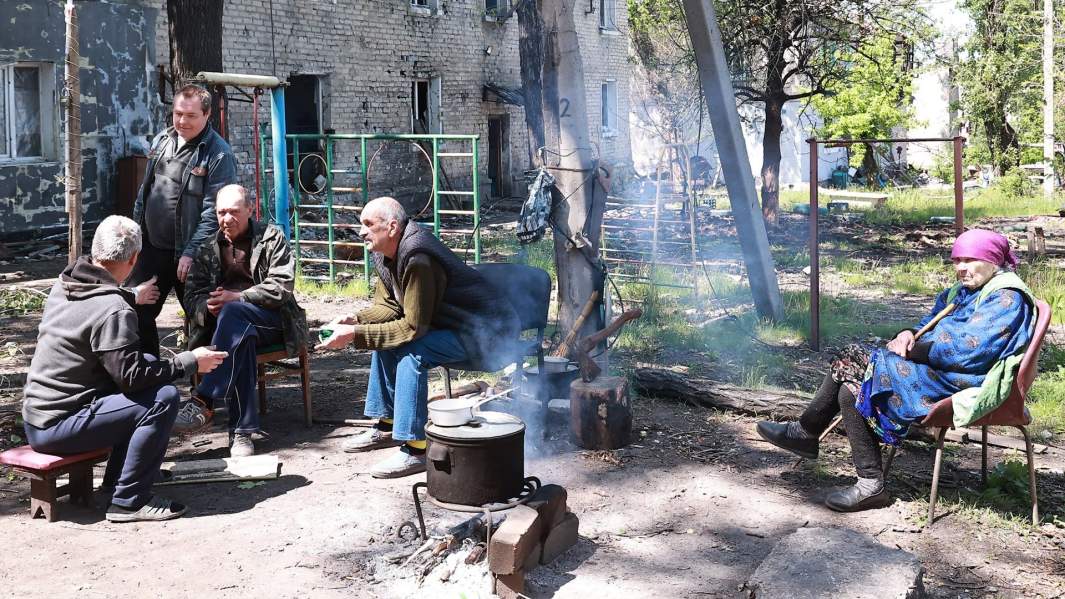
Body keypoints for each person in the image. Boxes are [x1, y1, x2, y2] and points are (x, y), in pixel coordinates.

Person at [756, 229, 1037, 512]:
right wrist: (907, 333)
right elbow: (929, 324)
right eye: (956, 260)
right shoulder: (963, 291)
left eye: (970, 260)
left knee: (854, 359)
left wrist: (914, 351)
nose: (961, 268)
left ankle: (808, 436)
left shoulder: (1006, 299)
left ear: (992, 260)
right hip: (935, 370)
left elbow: (969, 352)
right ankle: (867, 483)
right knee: (851, 384)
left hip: (964, 380)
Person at [21, 216, 227, 523]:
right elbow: (131, 378)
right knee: (163, 397)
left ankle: (117, 481)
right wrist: (190, 361)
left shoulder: (66, 284)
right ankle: (129, 501)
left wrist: (132, 296)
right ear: (134, 259)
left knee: (140, 387)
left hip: (38, 416)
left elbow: (102, 315)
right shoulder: (112, 310)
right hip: (58, 427)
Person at [318, 197, 519, 478]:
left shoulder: (418, 257)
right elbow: (390, 306)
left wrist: (354, 335)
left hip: (486, 335)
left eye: (367, 225)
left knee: (411, 352)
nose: (361, 231)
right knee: (384, 342)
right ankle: (387, 425)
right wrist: (357, 320)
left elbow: (412, 328)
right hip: (450, 326)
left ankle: (416, 449)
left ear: (392, 227)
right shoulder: (383, 252)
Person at [182, 185, 308, 457]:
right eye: (221, 212)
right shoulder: (207, 248)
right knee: (240, 334)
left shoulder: (272, 238)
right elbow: (192, 295)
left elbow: (282, 286)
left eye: (234, 212)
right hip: (230, 328)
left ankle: (205, 396)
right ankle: (241, 433)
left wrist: (239, 298)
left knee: (236, 314)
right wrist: (209, 307)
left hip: (274, 322)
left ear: (251, 210)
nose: (226, 219)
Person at [130, 84, 237, 358]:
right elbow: (145, 193)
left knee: (201, 319)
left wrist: (191, 252)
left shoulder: (218, 154)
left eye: (190, 116)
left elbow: (214, 211)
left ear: (207, 115)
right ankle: (149, 381)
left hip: (192, 255)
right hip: (152, 248)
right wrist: (135, 238)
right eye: (178, 113)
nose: (182, 121)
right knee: (137, 311)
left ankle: (203, 393)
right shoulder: (161, 141)